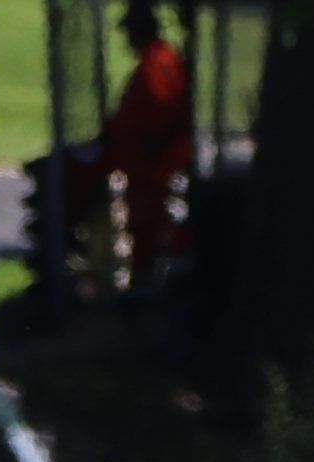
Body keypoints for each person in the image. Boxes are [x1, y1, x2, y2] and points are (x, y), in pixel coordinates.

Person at [69, 0, 193, 275]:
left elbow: (152, 113)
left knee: (144, 218)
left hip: (150, 158)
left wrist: (113, 135)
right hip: (143, 153)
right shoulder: (160, 58)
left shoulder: (156, 63)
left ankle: (139, 274)